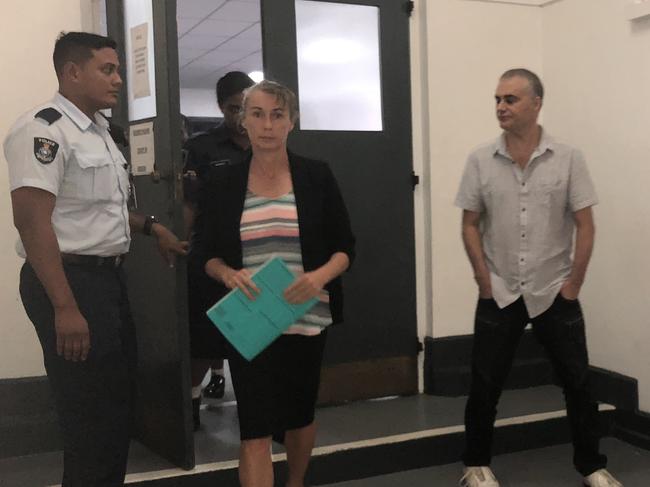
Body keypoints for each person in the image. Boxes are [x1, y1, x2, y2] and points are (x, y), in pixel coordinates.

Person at [3, 32, 187, 487]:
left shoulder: (100, 132)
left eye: (119, 69)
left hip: (104, 284)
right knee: (88, 418)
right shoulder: (43, 129)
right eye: (108, 69)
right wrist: (66, 307)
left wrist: (151, 226)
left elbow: (95, 208)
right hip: (68, 283)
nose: (119, 80)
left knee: (114, 411)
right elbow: (33, 221)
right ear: (72, 72)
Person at [454, 68, 622, 487]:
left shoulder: (568, 158)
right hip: (500, 290)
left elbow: (586, 224)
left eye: (510, 99)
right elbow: (470, 223)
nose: (501, 107)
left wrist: (574, 285)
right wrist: (482, 278)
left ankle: (592, 466)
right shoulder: (480, 159)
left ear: (536, 103)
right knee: (484, 384)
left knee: (578, 384)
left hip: (554, 290)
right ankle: (475, 465)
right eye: (497, 99)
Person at [193, 80, 355, 487]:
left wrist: (317, 277)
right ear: (243, 121)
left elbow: (345, 248)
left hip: (306, 315)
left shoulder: (316, 176)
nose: (267, 125)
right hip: (250, 320)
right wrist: (228, 274)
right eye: (258, 114)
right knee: (255, 430)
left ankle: (296, 482)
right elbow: (204, 253)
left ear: (292, 122)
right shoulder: (224, 182)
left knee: (300, 417)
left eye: (277, 115)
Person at [183, 71, 255, 429]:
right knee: (204, 339)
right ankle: (192, 405)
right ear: (220, 108)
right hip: (211, 254)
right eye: (233, 109)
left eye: (248, 109)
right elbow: (188, 205)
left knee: (254, 335)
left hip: (255, 252)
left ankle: (256, 408)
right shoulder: (201, 148)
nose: (241, 118)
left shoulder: (267, 142)